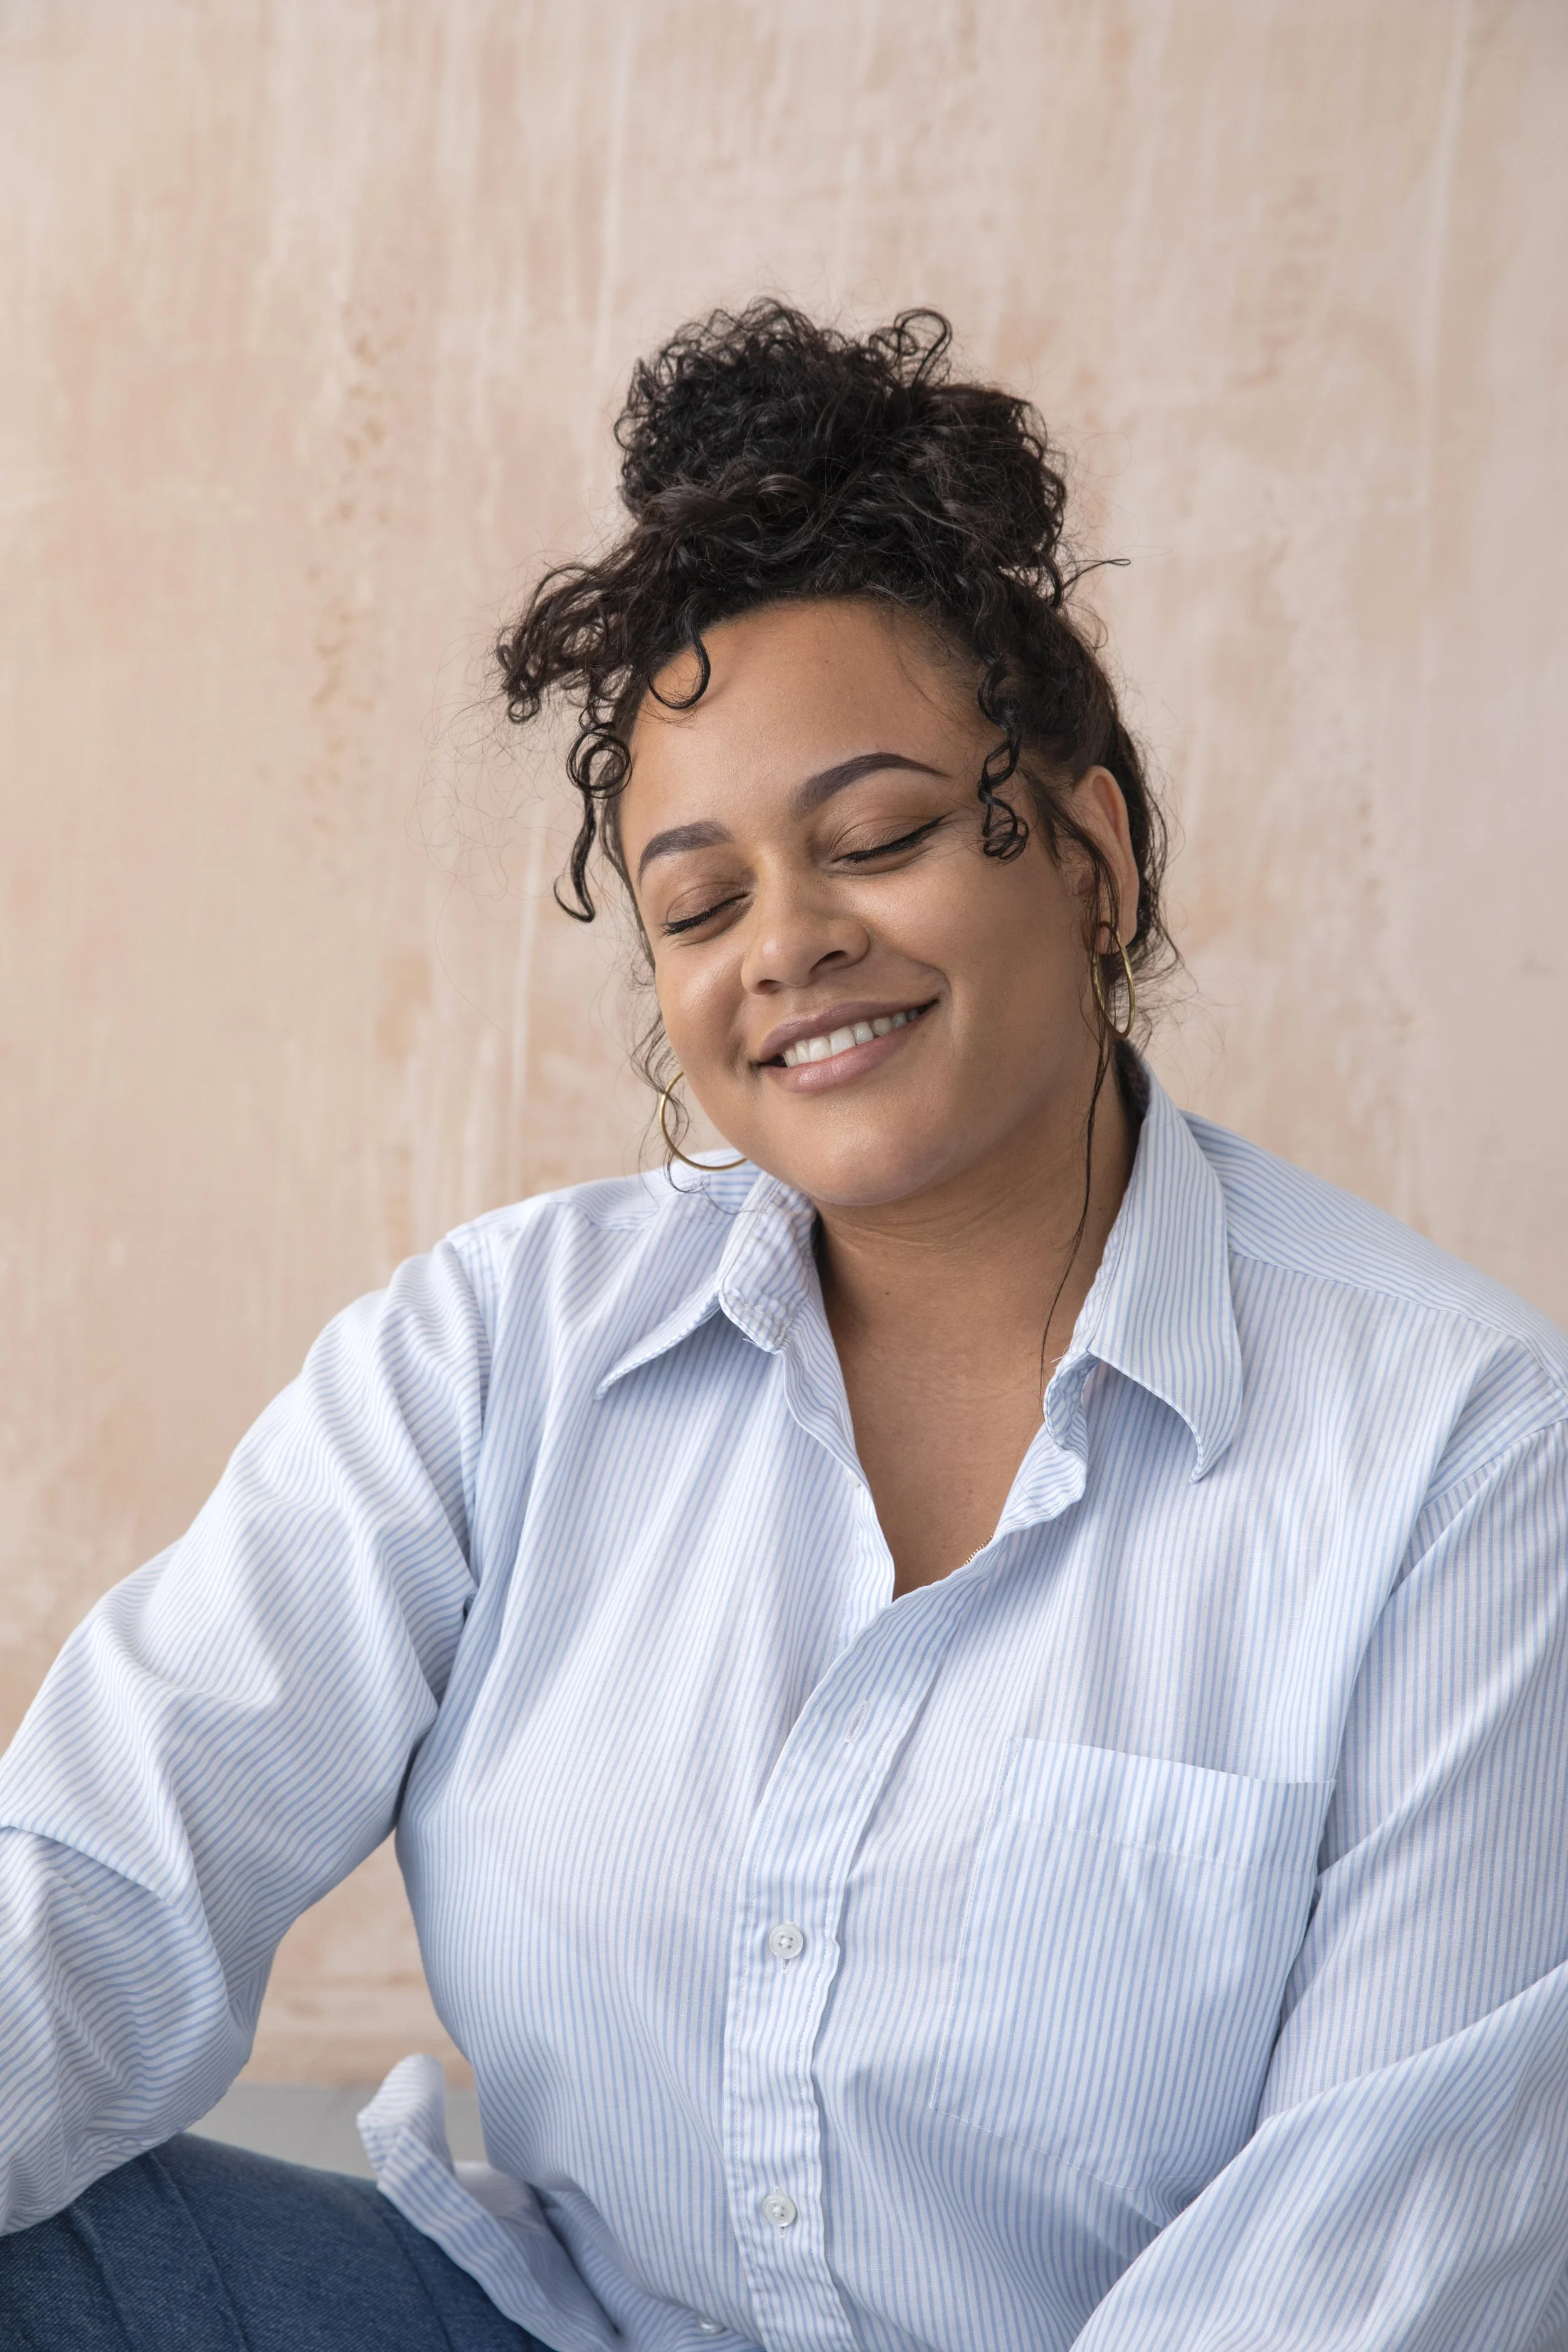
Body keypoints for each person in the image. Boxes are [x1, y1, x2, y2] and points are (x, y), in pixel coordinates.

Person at [2, 303, 1566, 2352]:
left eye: (879, 835)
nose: (790, 944)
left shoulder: (1461, 1455)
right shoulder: (501, 1348)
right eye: (698, 898)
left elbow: (1360, 2282)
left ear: (1084, 850)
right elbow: (102, 1883)